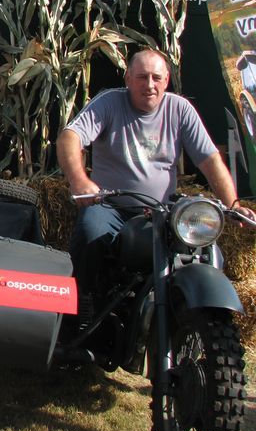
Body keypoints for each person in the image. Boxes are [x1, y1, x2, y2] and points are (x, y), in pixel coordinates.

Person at [56, 48, 256, 290]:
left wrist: (233, 205)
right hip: (110, 208)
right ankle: (80, 315)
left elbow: (210, 160)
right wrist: (79, 180)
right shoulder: (109, 102)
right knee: (90, 234)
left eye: (156, 77)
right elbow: (69, 137)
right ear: (128, 78)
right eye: (141, 77)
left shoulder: (180, 109)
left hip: (163, 212)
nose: (149, 84)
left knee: (206, 251)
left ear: (166, 80)